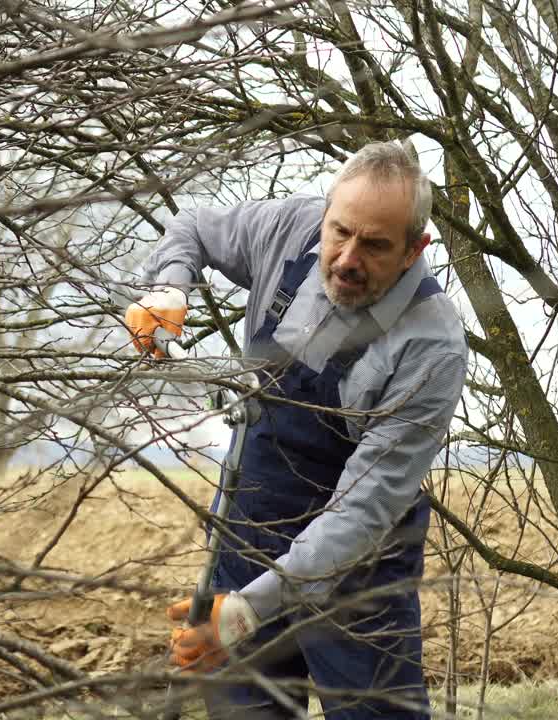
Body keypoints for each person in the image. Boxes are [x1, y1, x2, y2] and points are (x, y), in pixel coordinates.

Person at [125, 140, 467, 720]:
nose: (347, 259)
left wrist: (244, 612)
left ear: (415, 251)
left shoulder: (431, 346)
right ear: (327, 212)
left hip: (357, 576)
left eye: (376, 246)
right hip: (247, 534)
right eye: (340, 232)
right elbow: (193, 227)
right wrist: (169, 286)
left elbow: (359, 512)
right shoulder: (291, 227)